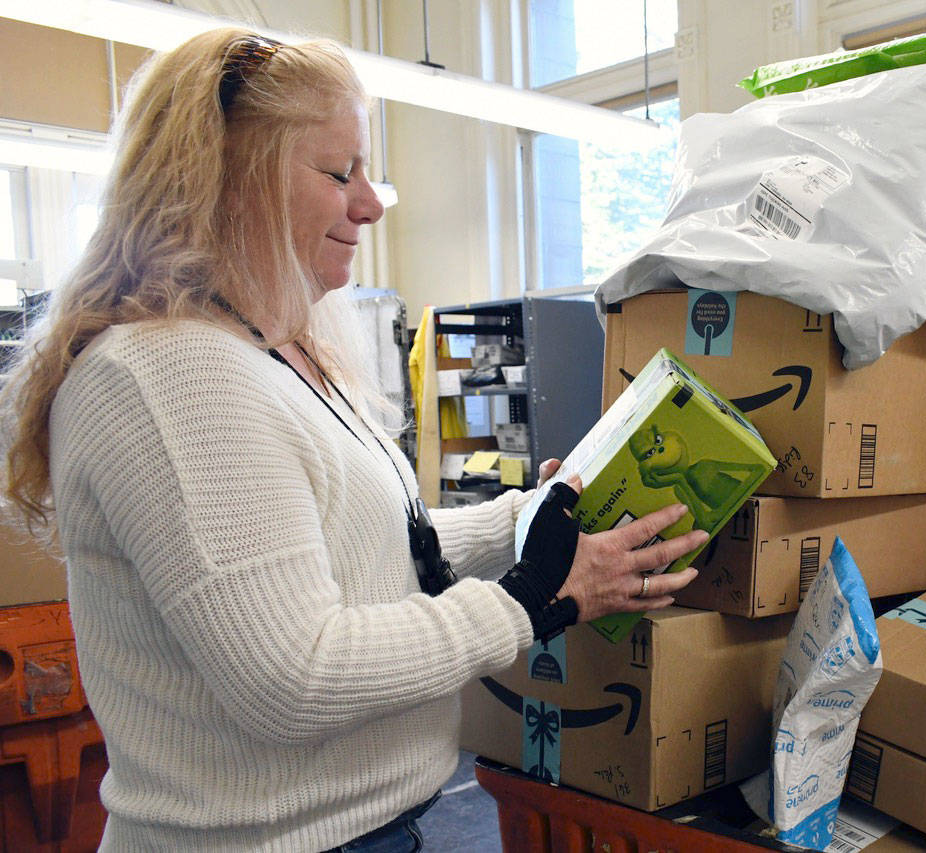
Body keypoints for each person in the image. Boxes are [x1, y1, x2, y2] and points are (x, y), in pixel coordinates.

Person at [0, 28, 704, 851]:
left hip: (373, 827)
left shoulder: (267, 351)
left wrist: (531, 516)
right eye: (340, 174)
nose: (371, 204)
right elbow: (294, 675)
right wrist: (531, 597)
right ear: (228, 180)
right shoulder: (166, 373)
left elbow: (371, 548)